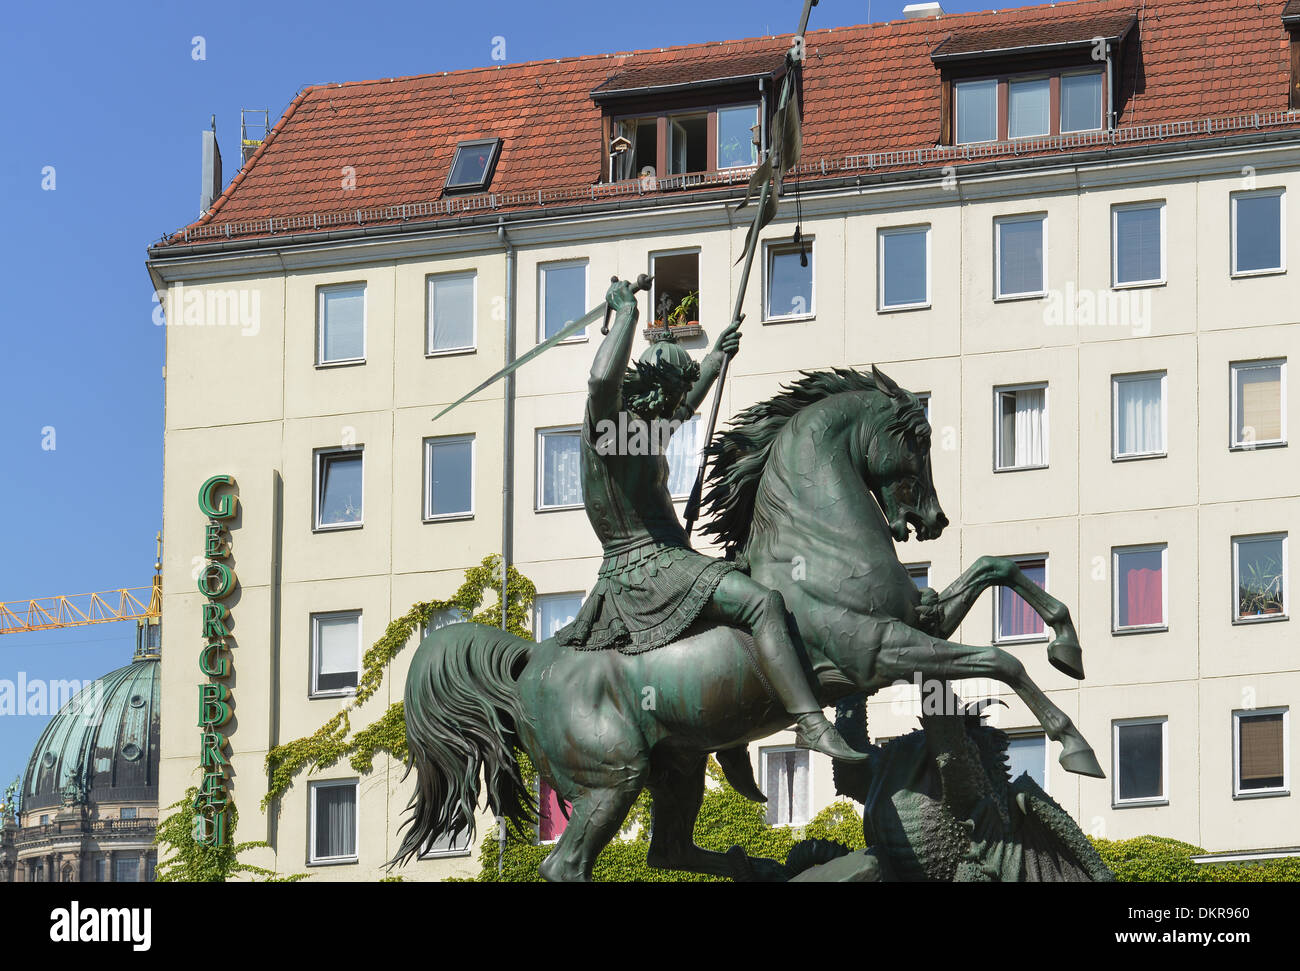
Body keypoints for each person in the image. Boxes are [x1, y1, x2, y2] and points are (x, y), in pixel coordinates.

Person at [555, 278, 866, 762]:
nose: (669, 409)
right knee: (762, 605)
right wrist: (627, 317)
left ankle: (732, 731)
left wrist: (714, 361)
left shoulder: (644, 427)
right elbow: (600, 382)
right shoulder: (608, 430)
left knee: (747, 588)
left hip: (669, 558)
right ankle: (807, 721)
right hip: (645, 566)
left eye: (674, 396)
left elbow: (682, 408)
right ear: (641, 388)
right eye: (664, 395)